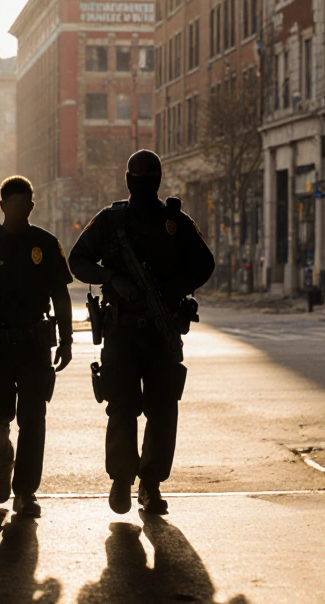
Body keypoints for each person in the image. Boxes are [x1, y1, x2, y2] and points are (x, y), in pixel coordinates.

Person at [68, 149, 215, 515]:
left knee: (163, 409)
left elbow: (205, 264)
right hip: (122, 331)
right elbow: (78, 261)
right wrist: (112, 277)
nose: (145, 185)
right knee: (121, 407)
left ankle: (149, 485)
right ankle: (121, 480)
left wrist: (172, 288)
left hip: (162, 332)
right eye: (141, 178)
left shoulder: (175, 221)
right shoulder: (110, 221)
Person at [0, 176, 74, 518]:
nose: (18, 210)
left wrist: (68, 339)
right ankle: (2, 460)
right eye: (12, 205)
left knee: (33, 420)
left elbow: (60, 294)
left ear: (31, 205)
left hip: (34, 346)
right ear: (2, 206)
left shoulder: (46, 244)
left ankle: (25, 492)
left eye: (24, 204)